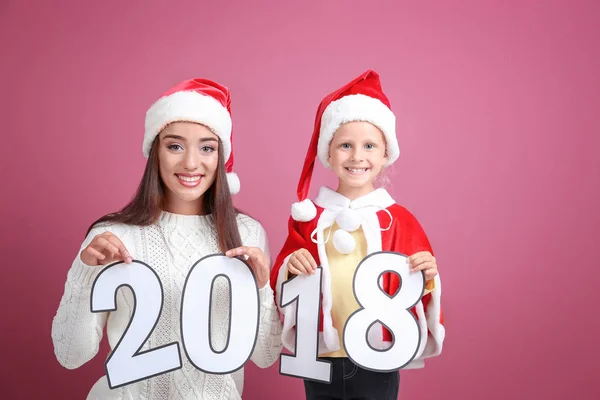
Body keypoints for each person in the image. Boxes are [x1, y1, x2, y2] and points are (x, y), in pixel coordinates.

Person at [51, 78, 283, 399]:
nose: (190, 162)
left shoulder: (247, 234)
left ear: (220, 156)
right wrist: (83, 272)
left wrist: (261, 288)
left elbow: (265, 354)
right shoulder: (112, 235)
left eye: (206, 148)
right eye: (175, 146)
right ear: (155, 153)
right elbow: (71, 355)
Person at [270, 70, 444, 399]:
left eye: (369, 146)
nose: (357, 156)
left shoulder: (399, 219)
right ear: (329, 153)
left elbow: (421, 279)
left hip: (377, 354)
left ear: (384, 154)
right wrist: (291, 266)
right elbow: (282, 271)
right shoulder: (310, 218)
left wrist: (428, 274)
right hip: (320, 352)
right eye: (345, 145)